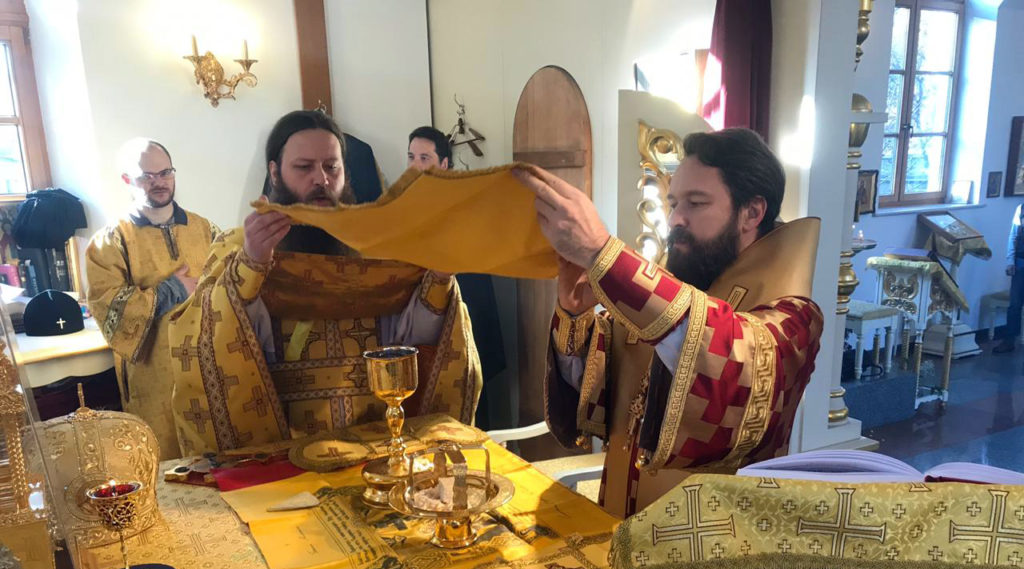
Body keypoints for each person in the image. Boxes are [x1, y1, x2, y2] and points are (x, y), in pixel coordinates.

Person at [516, 127, 824, 518]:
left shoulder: (793, 316)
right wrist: (575, 313)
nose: (675, 218)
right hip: (619, 527)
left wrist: (602, 253)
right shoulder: (674, 290)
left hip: (711, 556)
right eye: (673, 201)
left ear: (752, 212)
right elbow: (599, 398)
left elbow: (731, 366)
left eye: (696, 203)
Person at [170, 110, 480, 454]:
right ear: (275, 172)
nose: (321, 179)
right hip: (283, 441)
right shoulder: (236, 245)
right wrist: (251, 265)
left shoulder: (378, 246)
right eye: (304, 167)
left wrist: (439, 276)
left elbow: (411, 339)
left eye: (332, 167)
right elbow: (211, 340)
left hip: (374, 435)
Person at [85, 138, 216, 459]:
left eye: (165, 173)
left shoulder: (204, 229)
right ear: (127, 180)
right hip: (153, 373)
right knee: (165, 464)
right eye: (147, 176)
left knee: (217, 458)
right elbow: (107, 306)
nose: (159, 182)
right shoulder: (110, 241)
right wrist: (172, 291)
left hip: (207, 367)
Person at [405, 125, 507, 429]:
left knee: (470, 397)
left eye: (424, 157)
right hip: (422, 320)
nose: (415, 165)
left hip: (464, 310)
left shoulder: (463, 203)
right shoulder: (403, 206)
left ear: (444, 164)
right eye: (411, 157)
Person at [993, 203, 1024, 354]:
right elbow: (1014, 235)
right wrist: (1010, 260)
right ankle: (1009, 340)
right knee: (1015, 304)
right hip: (1021, 262)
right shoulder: (1021, 208)